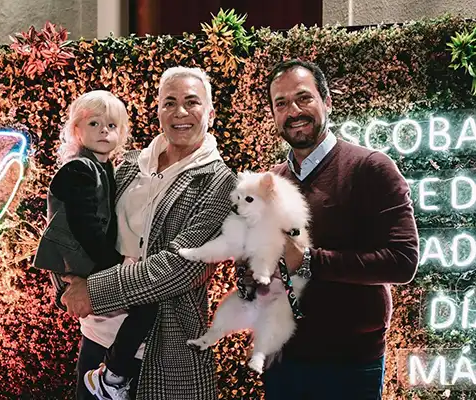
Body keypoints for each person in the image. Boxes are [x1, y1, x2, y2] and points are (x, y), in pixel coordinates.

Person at [239, 59, 420, 399]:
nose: (293, 111)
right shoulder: (271, 181)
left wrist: (309, 260)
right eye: (281, 103)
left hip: (349, 364)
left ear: (327, 101)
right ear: (273, 114)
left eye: (303, 98)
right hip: (281, 359)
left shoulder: (371, 168)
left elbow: (402, 261)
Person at [61, 66, 237, 400]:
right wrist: (67, 282)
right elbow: (82, 227)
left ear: (211, 113)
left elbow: (182, 266)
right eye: (169, 103)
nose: (180, 112)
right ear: (158, 112)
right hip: (97, 335)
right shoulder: (129, 164)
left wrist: (93, 291)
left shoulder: (221, 183)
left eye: (191, 102)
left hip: (165, 346)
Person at [33, 90, 157, 399]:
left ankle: (113, 373)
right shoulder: (79, 169)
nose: (104, 131)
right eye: (94, 124)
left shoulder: (105, 168)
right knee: (146, 302)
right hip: (79, 261)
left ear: (121, 133)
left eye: (112, 125)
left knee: (144, 305)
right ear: (76, 130)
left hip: (86, 262)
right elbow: (85, 227)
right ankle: (112, 376)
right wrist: (114, 269)